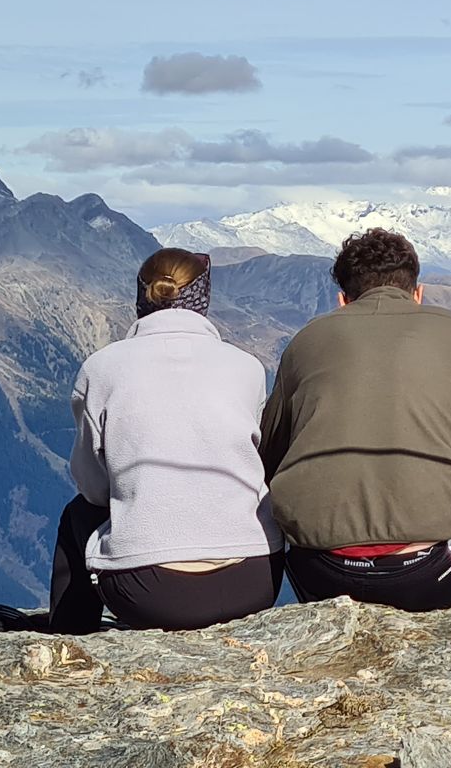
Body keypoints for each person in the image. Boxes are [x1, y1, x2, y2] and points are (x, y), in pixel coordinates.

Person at [259, 228, 451, 616]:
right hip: (427, 572)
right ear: (418, 293)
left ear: (342, 300)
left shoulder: (303, 343)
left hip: (321, 572)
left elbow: (267, 465)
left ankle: (329, 623)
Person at [47, 248, 284, 633]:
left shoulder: (101, 369)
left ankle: (70, 636)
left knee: (78, 513)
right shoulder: (248, 368)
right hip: (253, 583)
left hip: (150, 595)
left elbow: (92, 486)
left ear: (141, 297)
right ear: (203, 298)